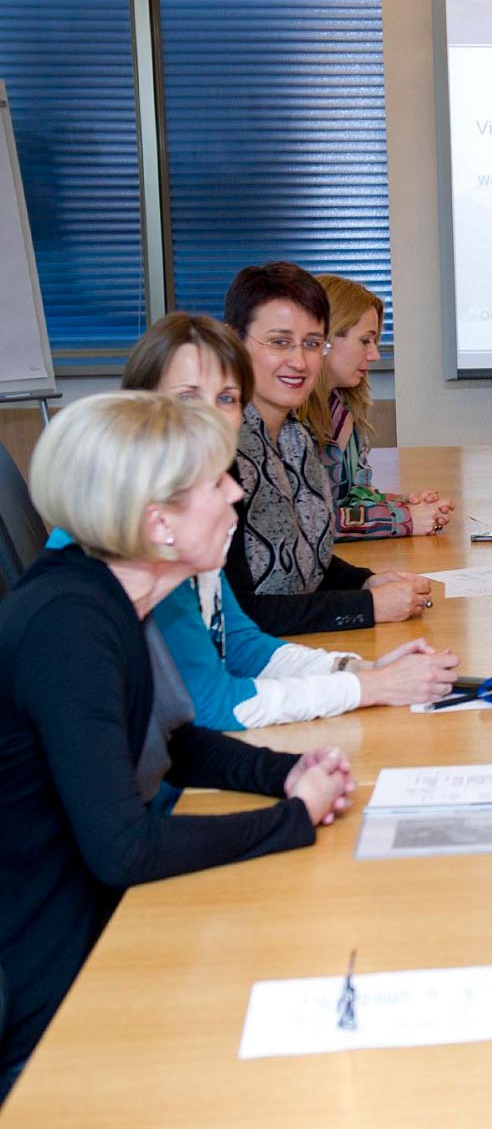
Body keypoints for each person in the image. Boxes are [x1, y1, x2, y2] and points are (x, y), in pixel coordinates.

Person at [0, 392, 356, 1100]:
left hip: (91, 939)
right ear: (159, 524)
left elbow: (175, 741)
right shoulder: (69, 628)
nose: (237, 493)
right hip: (48, 1001)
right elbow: (125, 849)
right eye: (216, 483)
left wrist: (287, 773)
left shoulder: (112, 596)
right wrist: (291, 819)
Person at [42, 313, 460, 732]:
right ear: (141, 402)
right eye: (188, 396)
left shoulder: (199, 504)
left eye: (227, 399)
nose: (212, 416)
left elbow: (240, 642)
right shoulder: (135, 524)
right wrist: (367, 687)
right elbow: (209, 703)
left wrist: (359, 669)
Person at [222, 261, 432, 636]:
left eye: (312, 344)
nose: (299, 361)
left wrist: (364, 581)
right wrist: (366, 606)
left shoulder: (295, 437)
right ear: (235, 342)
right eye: (279, 342)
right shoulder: (219, 454)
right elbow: (238, 612)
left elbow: (302, 558)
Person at [301, 274, 454, 539]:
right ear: (327, 337)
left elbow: (351, 495)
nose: (374, 355)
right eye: (365, 341)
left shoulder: (343, 407)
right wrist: (404, 519)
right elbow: (309, 522)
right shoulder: (285, 421)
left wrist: (403, 505)